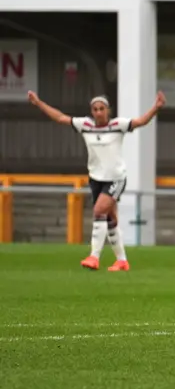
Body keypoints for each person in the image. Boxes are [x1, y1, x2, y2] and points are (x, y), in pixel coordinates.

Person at [27, 90, 166, 271]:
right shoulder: (85, 125)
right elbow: (61, 118)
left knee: (99, 210)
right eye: (95, 109)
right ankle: (122, 261)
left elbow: (140, 122)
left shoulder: (118, 125)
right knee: (110, 219)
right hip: (96, 179)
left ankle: (94, 256)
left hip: (115, 178)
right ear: (91, 112)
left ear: (108, 110)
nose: (99, 112)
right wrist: (38, 103)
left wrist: (155, 108)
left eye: (102, 108)